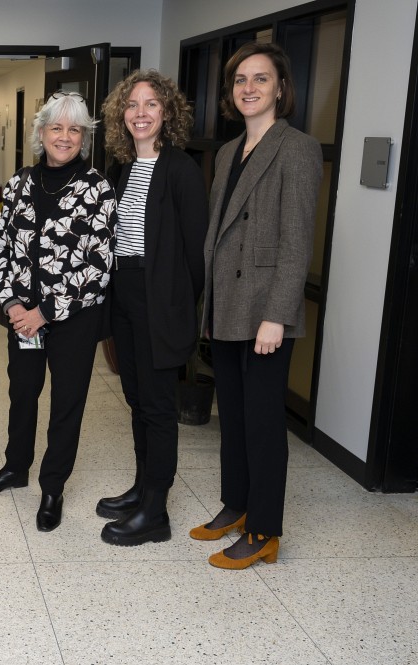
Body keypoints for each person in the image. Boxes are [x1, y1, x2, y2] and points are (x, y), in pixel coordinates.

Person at [188, 43, 322, 569]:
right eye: (240, 80)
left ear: (281, 89)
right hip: (227, 307)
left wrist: (278, 315)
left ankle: (265, 529)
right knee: (234, 416)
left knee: (264, 425)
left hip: (265, 312)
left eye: (260, 79)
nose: (249, 88)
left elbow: (296, 241)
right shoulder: (228, 152)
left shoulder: (297, 148)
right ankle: (237, 505)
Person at [0, 91, 115, 532]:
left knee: (66, 402)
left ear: (84, 137)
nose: (65, 137)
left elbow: (98, 265)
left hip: (73, 319)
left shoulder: (97, 188)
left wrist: (45, 311)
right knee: (22, 391)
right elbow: (1, 247)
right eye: (56, 128)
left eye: (74, 129)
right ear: (41, 133)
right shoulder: (20, 183)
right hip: (23, 316)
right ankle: (16, 466)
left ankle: (53, 486)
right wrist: (13, 303)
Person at [96, 70, 209, 546]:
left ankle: (156, 513)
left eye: (151, 105)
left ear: (167, 114)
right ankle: (144, 489)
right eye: (132, 105)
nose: (140, 113)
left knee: (159, 407)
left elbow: (195, 251)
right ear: (122, 115)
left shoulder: (180, 168)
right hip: (125, 292)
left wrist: (180, 309)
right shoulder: (121, 167)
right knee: (137, 399)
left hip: (161, 300)